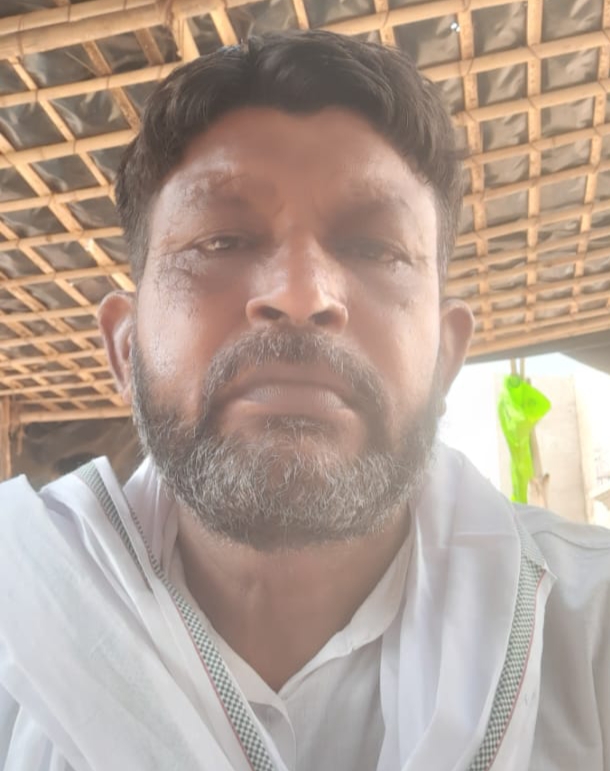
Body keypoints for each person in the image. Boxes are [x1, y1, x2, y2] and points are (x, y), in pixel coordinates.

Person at [0, 30, 608, 771]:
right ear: (125, 350)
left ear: (446, 359)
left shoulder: (592, 633)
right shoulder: (17, 626)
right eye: (221, 240)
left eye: (375, 248)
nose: (300, 293)